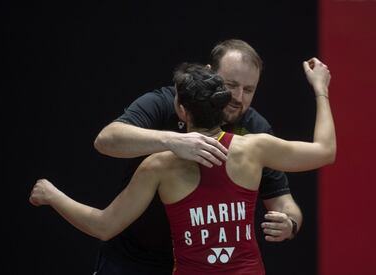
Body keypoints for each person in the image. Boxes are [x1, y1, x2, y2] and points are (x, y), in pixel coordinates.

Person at [30, 59, 335, 275]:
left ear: (181, 108)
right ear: (220, 98)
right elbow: (325, 152)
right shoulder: (255, 147)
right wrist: (320, 89)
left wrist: (52, 195)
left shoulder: (159, 165)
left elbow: (104, 226)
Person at [92, 39, 303, 274]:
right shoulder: (170, 102)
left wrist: (290, 223)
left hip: (196, 265)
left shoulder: (255, 129)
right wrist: (171, 141)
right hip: (135, 257)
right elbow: (106, 140)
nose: (238, 97)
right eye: (231, 85)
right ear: (209, 74)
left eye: (249, 90)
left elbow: (284, 201)